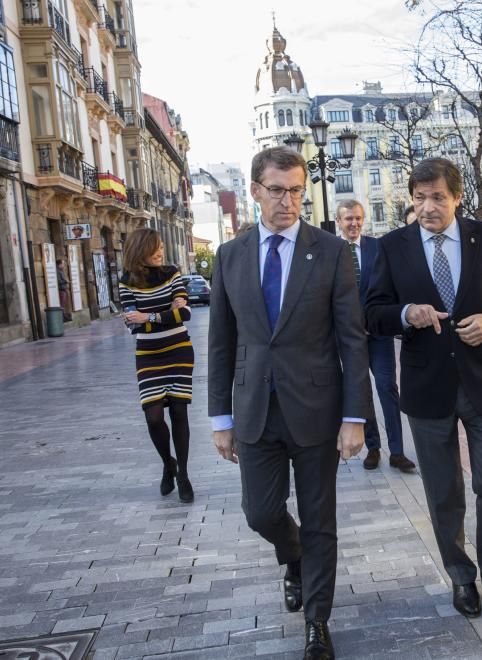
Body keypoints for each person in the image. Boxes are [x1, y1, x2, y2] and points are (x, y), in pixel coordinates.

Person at [208, 146, 371, 660]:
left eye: (297, 190)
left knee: (321, 517)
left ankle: (316, 621)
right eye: (277, 190)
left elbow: (352, 338)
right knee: (260, 513)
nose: (288, 201)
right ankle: (293, 555)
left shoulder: (329, 251)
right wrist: (220, 418)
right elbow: (220, 342)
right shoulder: (231, 256)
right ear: (255, 191)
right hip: (256, 408)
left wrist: (354, 417)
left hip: (317, 410)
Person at [366, 158, 482, 623]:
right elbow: (371, 312)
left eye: (437, 197)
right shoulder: (392, 247)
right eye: (419, 198)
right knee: (443, 490)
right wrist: (405, 314)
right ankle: (461, 576)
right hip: (426, 386)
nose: (428, 207)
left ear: (457, 197)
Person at [335, 200, 416, 474]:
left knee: (386, 388)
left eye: (358, 218)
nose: (354, 223)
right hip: (349, 339)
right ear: (339, 222)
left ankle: (397, 451)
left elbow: (388, 287)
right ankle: (372, 447)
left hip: (378, 334)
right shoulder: (332, 252)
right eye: (348, 219)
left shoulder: (376, 247)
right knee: (362, 392)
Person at [119, 228, 195, 503]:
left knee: (179, 412)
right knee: (153, 417)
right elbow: (130, 323)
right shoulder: (127, 282)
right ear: (141, 250)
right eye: (155, 247)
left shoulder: (172, 273)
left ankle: (184, 475)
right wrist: (165, 312)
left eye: (161, 246)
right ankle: (168, 463)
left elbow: (184, 313)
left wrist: (147, 315)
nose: (160, 251)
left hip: (178, 350)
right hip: (148, 354)